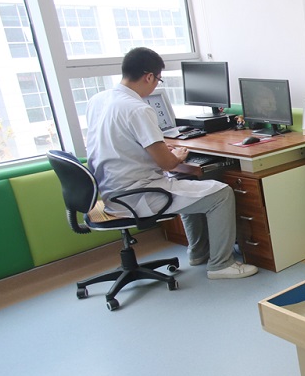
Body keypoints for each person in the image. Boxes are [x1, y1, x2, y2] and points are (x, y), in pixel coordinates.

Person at [85, 47, 258, 280]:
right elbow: (167, 164)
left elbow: (118, 143)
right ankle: (220, 264)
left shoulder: (98, 100)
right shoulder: (137, 109)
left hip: (112, 191)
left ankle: (198, 253)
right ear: (149, 77)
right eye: (158, 79)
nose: (156, 84)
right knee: (221, 193)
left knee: (187, 182)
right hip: (138, 194)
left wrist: (158, 150)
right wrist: (177, 155)